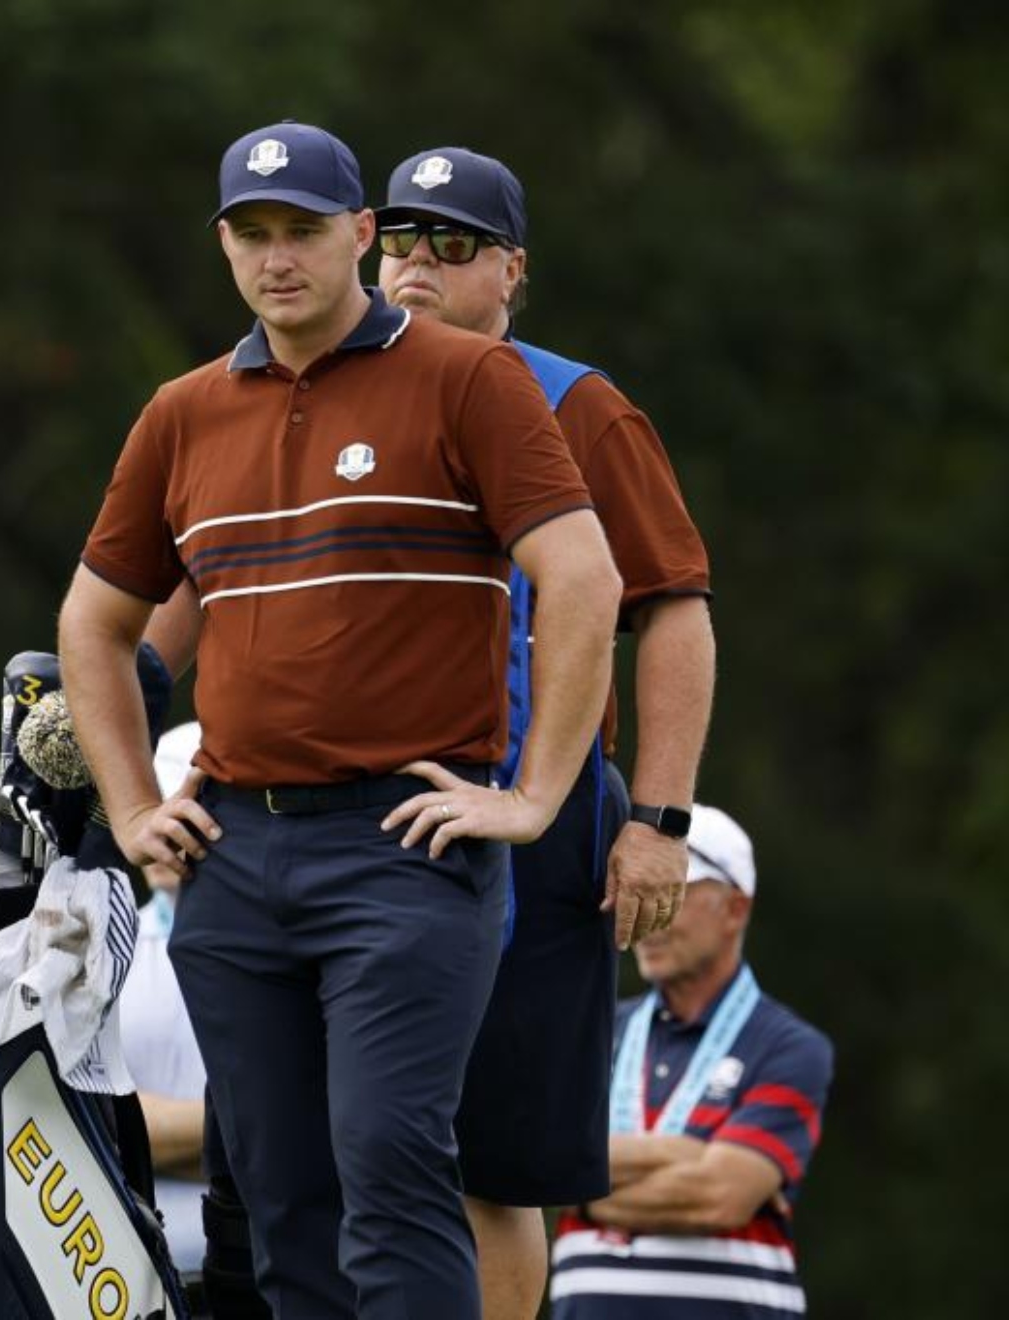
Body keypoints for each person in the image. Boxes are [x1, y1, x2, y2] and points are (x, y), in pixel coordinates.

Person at [59, 120, 622, 1318]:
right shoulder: (182, 413)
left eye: (304, 231)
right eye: (253, 236)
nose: (279, 259)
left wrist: (534, 797)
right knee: (273, 1188)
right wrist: (129, 806)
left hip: (403, 845)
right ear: (223, 246)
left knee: (392, 1159)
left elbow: (586, 578)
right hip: (234, 856)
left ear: (360, 236)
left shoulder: (468, 379)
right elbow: (94, 626)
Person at [373, 145, 717, 1319]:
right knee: (350, 1148)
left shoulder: (580, 404)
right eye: (399, 240)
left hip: (539, 806)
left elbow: (673, 611)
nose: (417, 266)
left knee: (493, 1166)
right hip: (353, 802)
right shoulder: (329, 389)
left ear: (511, 268)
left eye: (453, 244)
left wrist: (661, 824)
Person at [550, 805, 833, 1317]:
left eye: (672, 892)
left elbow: (718, 1197)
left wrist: (584, 1190)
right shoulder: (592, 1029)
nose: (646, 912)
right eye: (635, 888)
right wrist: (686, 1151)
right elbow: (539, 1160)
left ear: (735, 910)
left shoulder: (789, 1045)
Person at [114, 721, 210, 1276]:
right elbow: (95, 1127)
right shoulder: (108, 951)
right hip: (126, 1278)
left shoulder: (311, 954)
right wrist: (242, 1135)